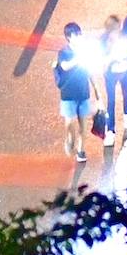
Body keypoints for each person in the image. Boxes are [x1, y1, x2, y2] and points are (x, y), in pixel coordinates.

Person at [53, 22, 95, 164]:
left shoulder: (84, 51)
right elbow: (65, 67)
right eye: (75, 35)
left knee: (83, 123)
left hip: (83, 92)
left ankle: (81, 150)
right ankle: (70, 140)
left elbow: (90, 72)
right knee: (69, 123)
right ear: (69, 37)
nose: (79, 37)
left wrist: (96, 90)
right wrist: (80, 57)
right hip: (68, 94)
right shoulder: (64, 53)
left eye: (79, 34)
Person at [98, 11, 127, 130]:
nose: (118, 30)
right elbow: (102, 57)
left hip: (125, 69)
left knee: (126, 93)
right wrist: (112, 57)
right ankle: (110, 129)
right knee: (111, 100)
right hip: (110, 72)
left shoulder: (124, 37)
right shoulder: (104, 40)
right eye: (116, 28)